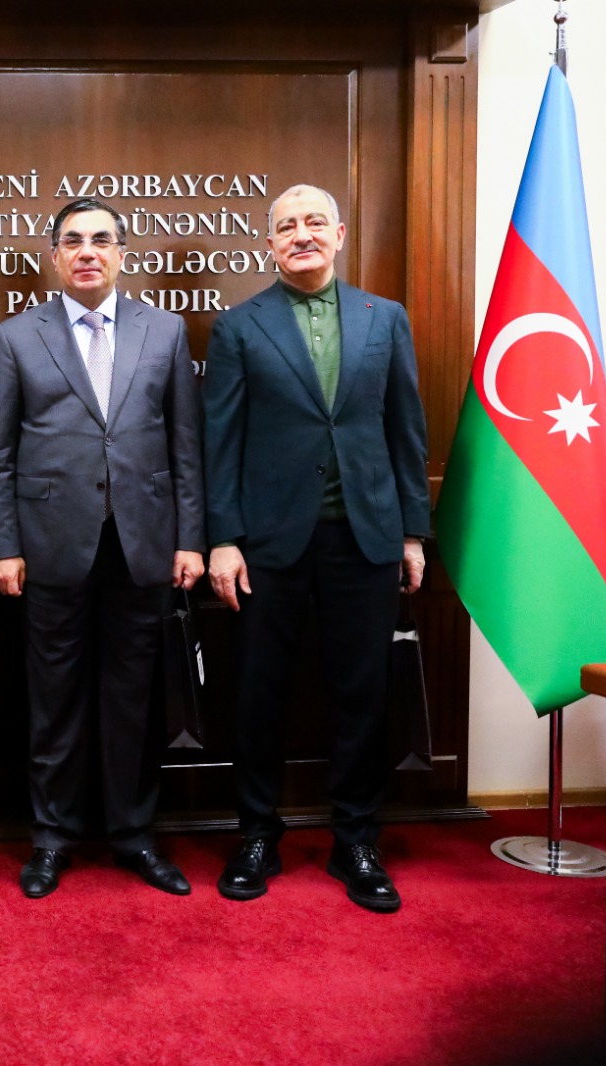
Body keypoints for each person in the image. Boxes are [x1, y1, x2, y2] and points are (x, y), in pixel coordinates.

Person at [202, 183, 430, 913]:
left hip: (365, 536)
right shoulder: (239, 326)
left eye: (313, 223)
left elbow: (405, 429)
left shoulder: (384, 318)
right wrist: (222, 539)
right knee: (258, 692)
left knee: (362, 693)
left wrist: (412, 531)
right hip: (268, 542)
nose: (301, 234)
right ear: (269, 244)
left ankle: (355, 840)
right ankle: (256, 834)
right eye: (286, 226)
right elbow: (220, 440)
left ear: (339, 234)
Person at [0, 197, 205, 899]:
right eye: (73, 241)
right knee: (55, 702)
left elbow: (185, 446)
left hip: (144, 546)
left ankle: (134, 836)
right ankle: (52, 839)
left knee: (135, 701)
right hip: (51, 548)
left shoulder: (164, 330)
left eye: (101, 240)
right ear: (54, 257)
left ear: (121, 254)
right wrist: (2, 545)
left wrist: (190, 539)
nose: (87, 252)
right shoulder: (15, 337)